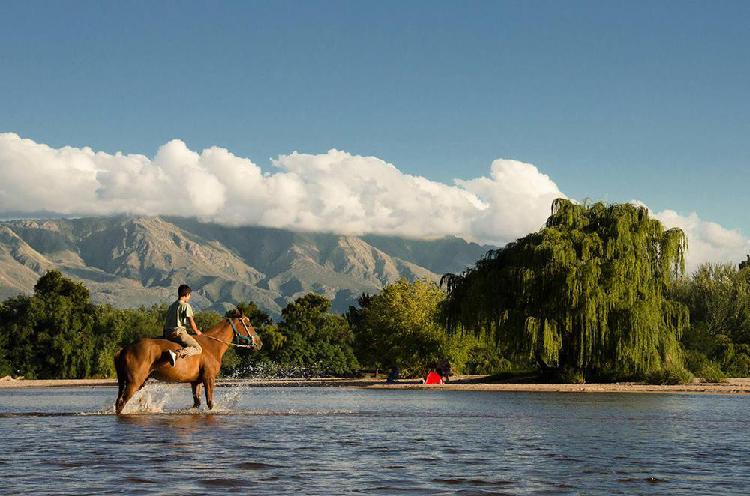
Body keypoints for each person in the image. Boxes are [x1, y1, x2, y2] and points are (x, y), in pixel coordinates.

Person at [163, 284, 203, 366]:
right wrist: (196, 331)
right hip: (178, 333)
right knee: (198, 348)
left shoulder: (172, 306)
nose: (189, 297)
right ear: (187, 295)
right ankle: (177, 354)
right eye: (190, 295)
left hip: (167, 333)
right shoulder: (185, 305)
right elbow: (190, 320)